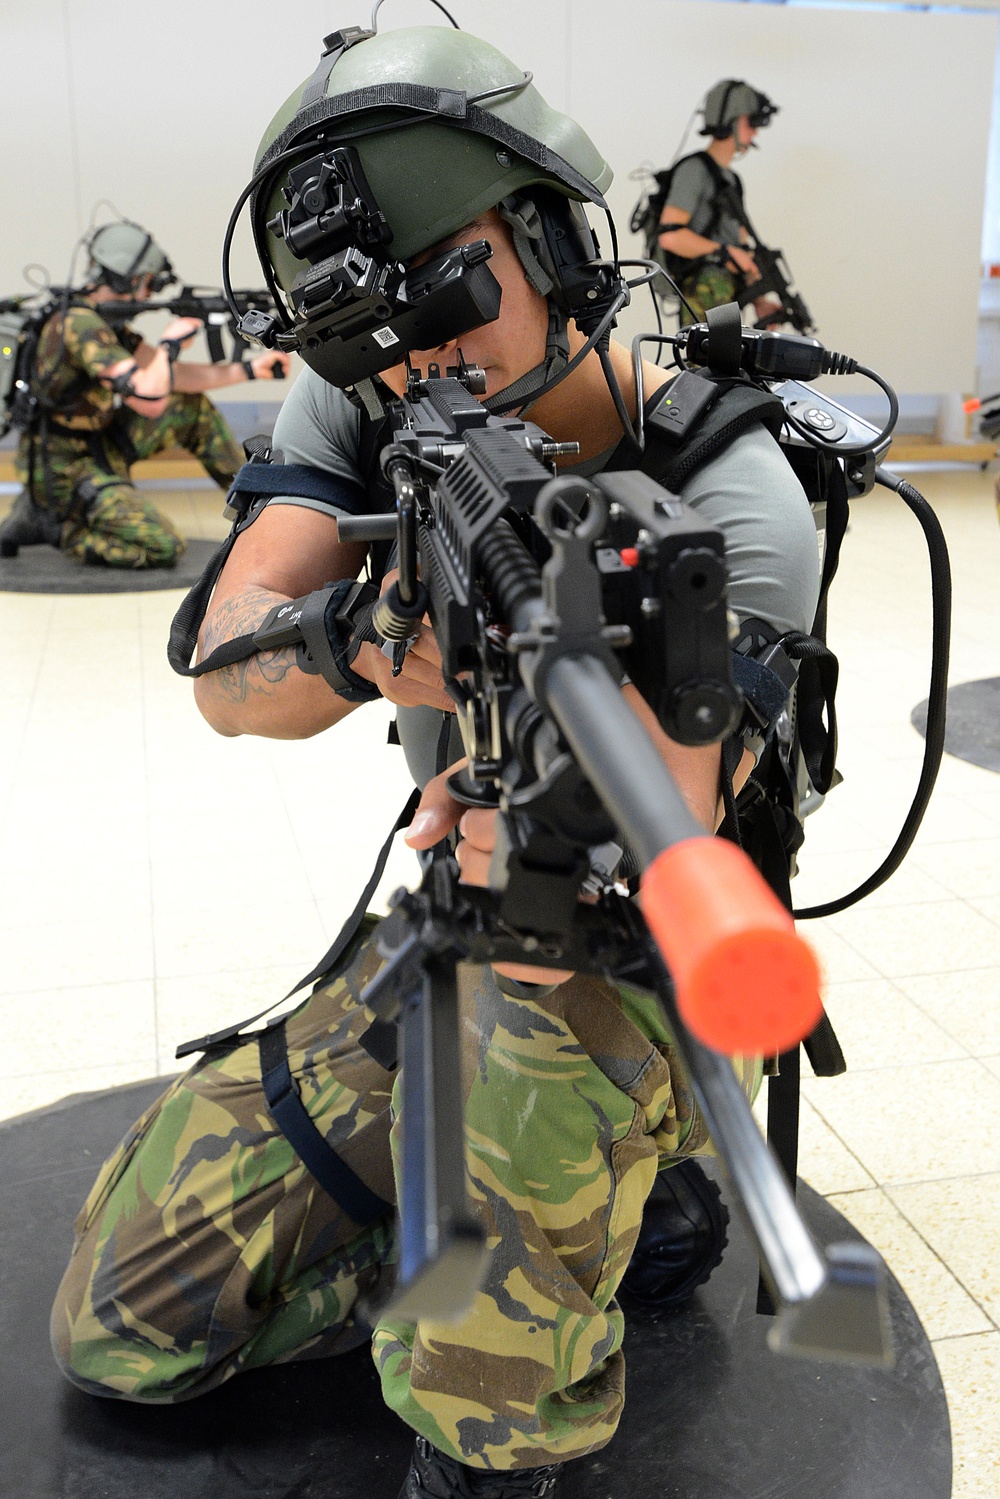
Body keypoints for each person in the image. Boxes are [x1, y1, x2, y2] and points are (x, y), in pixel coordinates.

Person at [49, 24, 820, 1498]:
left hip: (633, 952)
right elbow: (227, 672)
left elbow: (658, 847)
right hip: (450, 921)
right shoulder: (376, 387)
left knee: (476, 1405)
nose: (418, 354)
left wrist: (525, 807)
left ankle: (598, 1233)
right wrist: (359, 639)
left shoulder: (734, 493)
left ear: (550, 238)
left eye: (454, 282)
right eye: (367, 327)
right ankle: (582, 1231)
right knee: (123, 1324)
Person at [0, 220, 290, 567]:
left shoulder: (102, 323)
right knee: (163, 546)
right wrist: (170, 343)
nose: (149, 294)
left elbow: (172, 377)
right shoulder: (80, 326)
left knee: (191, 408)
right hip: (65, 469)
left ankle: (259, 510)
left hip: (97, 445)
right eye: (147, 283)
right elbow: (149, 399)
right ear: (125, 277)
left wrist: (248, 370)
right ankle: (57, 528)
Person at [657, 79, 782, 325]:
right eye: (750, 122)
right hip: (705, 290)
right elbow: (669, 236)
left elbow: (741, 247)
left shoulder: (732, 181)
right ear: (731, 120)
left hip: (725, 298)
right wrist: (722, 252)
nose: (755, 132)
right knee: (705, 364)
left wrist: (760, 301)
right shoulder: (694, 170)